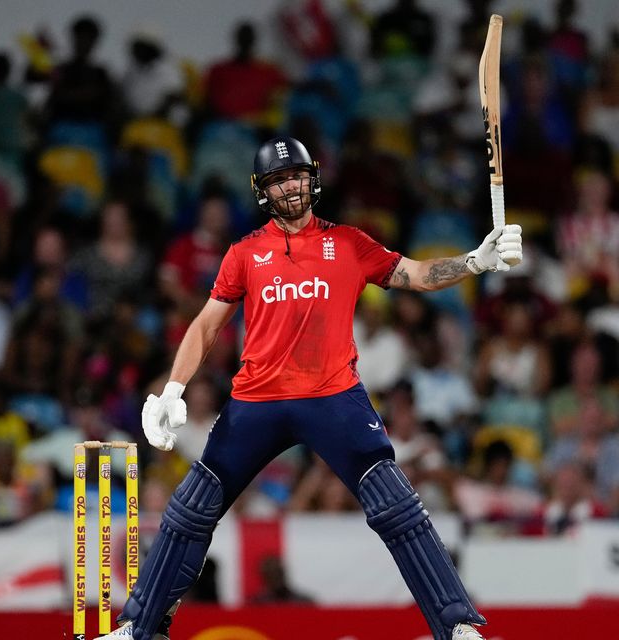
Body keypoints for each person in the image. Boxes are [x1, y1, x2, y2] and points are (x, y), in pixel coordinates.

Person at [95, 136, 523, 640]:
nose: (291, 186)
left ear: (312, 178)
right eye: (278, 180)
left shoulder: (348, 243)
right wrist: (173, 389)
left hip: (333, 396)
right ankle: (138, 628)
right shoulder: (244, 253)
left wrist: (474, 262)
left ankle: (456, 626)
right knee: (189, 511)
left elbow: (418, 275)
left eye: (296, 175)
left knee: (397, 506)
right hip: (257, 399)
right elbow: (206, 325)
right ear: (262, 191)